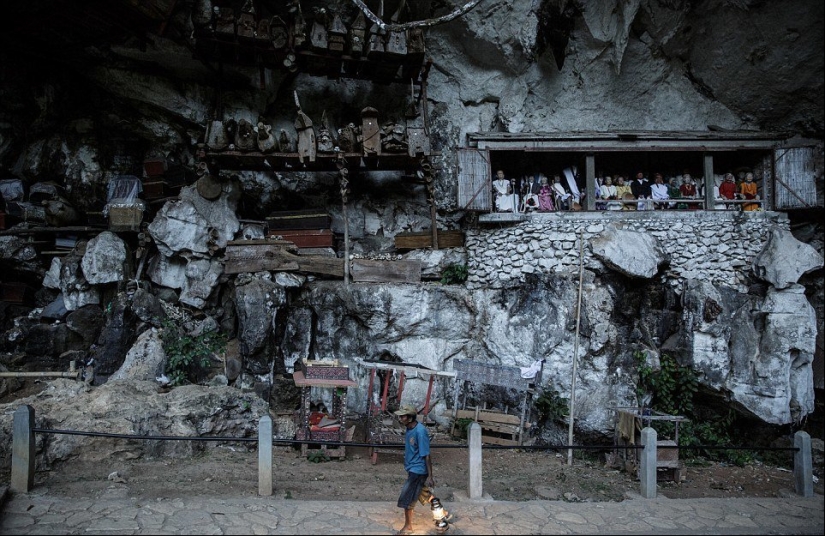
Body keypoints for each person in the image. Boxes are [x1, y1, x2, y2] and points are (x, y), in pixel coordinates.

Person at [394, 404, 450, 534]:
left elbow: (426, 455)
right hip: (411, 468)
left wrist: (430, 476)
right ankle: (442, 512)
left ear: (410, 418)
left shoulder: (420, 431)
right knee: (422, 493)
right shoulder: (409, 429)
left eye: (403, 416)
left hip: (418, 471)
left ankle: (408, 526)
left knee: (407, 498)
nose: (400, 418)